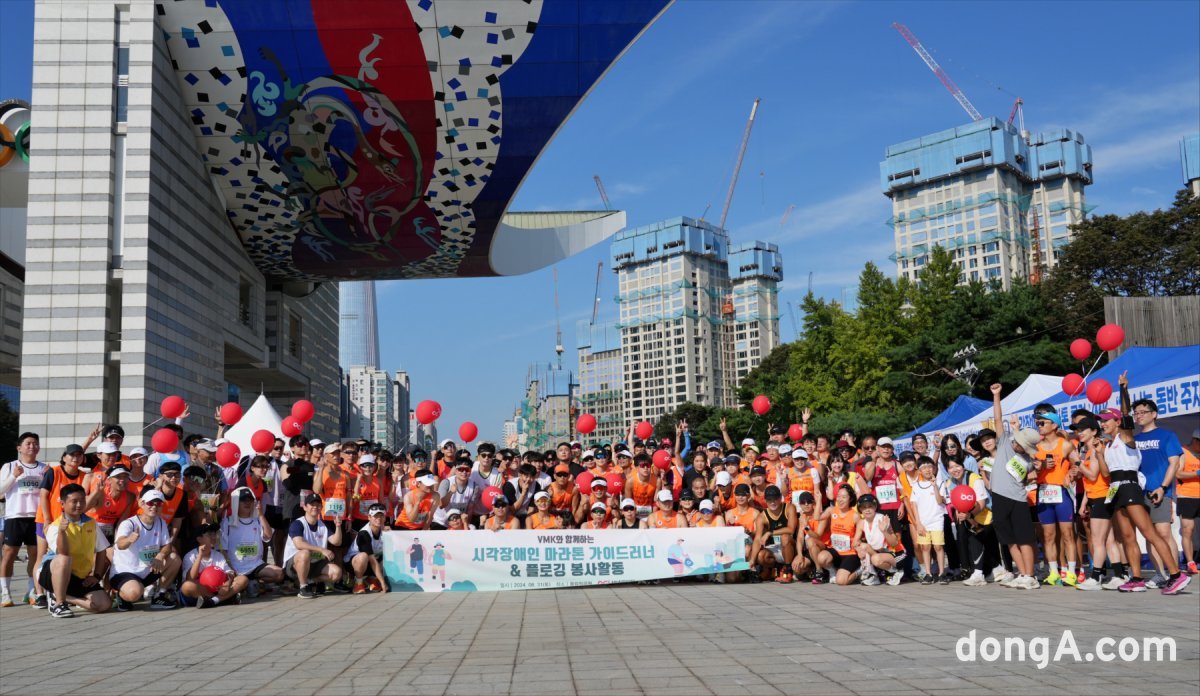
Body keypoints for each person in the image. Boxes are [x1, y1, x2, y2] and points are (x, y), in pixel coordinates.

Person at [1102, 373, 1190, 595]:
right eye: (1101, 421)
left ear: (1117, 423)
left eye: (1106, 420)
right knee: (1128, 537)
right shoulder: (1108, 445)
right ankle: (1137, 578)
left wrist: (1123, 389)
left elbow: (1125, 414)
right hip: (1116, 489)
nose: (1102, 424)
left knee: (1151, 532)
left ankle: (1176, 575)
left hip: (1130, 486)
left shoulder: (1125, 436)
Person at [1131, 395, 1185, 589]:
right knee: (1148, 533)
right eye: (1136, 413)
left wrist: (1163, 487)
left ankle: (1175, 572)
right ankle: (1159, 573)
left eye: (1143, 412)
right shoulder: (1134, 439)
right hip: (1138, 493)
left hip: (1160, 490)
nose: (1138, 416)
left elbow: (1174, 463)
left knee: (1162, 532)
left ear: (1154, 414)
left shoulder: (1167, 435)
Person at [39, 483, 112, 617]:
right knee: (64, 559)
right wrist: (62, 532)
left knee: (104, 605)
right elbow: (63, 553)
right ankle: (59, 604)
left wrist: (96, 576)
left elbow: (102, 550)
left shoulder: (91, 523)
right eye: (74, 501)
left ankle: (63, 596)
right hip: (52, 574)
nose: (79, 505)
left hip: (80, 576)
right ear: (62, 503)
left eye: (82, 500)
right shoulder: (55, 527)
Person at [1072, 414, 1122, 591]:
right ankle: (1119, 575)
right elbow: (1091, 481)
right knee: (1109, 540)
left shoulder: (1095, 449)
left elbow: (1092, 475)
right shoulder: (1089, 449)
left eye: (1082, 430)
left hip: (1102, 496)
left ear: (1094, 431)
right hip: (1097, 496)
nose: (1079, 433)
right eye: (1077, 430)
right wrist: (1084, 502)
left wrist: (1077, 461)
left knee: (1097, 539)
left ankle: (1095, 577)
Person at [111, 488, 182, 610]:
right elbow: (120, 544)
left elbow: (167, 545)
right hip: (126, 571)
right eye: (150, 503)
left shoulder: (161, 522)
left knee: (175, 559)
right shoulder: (129, 524)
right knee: (134, 594)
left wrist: (160, 555)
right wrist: (129, 540)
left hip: (148, 570)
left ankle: (159, 595)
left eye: (158, 504)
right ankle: (122, 596)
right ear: (142, 504)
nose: (154, 507)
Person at [1031, 411, 1080, 587]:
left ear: (1054, 425)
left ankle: (1071, 573)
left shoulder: (1065, 445)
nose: (1040, 426)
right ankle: (1053, 572)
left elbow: (1077, 463)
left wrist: (1070, 473)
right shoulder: (1036, 448)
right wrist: (1038, 468)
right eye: (1038, 423)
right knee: (1048, 535)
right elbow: (1030, 472)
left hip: (1061, 493)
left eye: (1043, 423)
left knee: (1067, 534)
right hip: (1043, 493)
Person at [0, 432, 48, 607]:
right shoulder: (10, 466)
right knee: (9, 554)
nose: (32, 446)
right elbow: (0, 491)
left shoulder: (44, 468)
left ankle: (31, 591)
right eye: (28, 443)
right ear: (19, 448)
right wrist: (14, 476)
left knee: (35, 555)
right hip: (15, 516)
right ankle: (5, 593)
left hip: (36, 518)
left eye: (35, 443)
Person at [221, 488, 284, 597]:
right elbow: (222, 548)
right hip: (236, 567)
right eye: (243, 500)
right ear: (236, 502)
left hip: (255, 565)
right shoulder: (228, 521)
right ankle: (245, 585)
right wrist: (230, 568)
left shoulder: (257, 520)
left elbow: (268, 535)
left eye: (250, 500)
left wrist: (260, 515)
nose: (247, 503)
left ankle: (256, 582)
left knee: (279, 573)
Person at [942, 457, 993, 586]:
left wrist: (969, 515)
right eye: (951, 467)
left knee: (975, 540)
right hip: (970, 519)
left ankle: (979, 574)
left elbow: (981, 504)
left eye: (957, 466)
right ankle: (990, 571)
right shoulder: (949, 483)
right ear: (947, 470)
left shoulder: (974, 478)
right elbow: (956, 503)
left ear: (963, 466)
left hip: (985, 517)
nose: (955, 470)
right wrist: (962, 513)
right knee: (969, 540)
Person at [284, 493, 345, 598]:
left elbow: (336, 542)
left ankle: (310, 581)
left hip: (315, 563)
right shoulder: (297, 524)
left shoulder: (322, 524)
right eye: (312, 504)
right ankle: (303, 588)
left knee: (337, 573)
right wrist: (322, 550)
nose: (315, 507)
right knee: (304, 553)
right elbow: (299, 544)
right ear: (305, 507)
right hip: (295, 564)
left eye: (318, 505)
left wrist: (338, 526)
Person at [181, 523, 247, 608]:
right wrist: (200, 556)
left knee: (243, 579)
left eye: (214, 534)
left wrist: (227, 584)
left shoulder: (218, 555)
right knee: (187, 586)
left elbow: (230, 573)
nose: (213, 537)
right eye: (209, 534)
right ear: (199, 539)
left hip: (219, 589)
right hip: (197, 594)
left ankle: (213, 601)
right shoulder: (190, 556)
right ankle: (223, 599)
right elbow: (190, 578)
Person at [815, 484, 861, 585]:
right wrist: (819, 500)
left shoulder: (855, 516)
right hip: (835, 551)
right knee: (821, 558)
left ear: (850, 499)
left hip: (850, 554)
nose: (840, 499)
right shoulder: (832, 510)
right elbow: (817, 517)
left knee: (841, 582)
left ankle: (860, 571)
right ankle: (832, 571)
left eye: (844, 497)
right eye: (839, 496)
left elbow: (861, 535)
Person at [855, 493, 904, 586]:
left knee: (875, 558)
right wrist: (858, 550)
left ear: (875, 507)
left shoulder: (882, 519)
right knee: (863, 547)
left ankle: (896, 571)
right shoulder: (861, 523)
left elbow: (894, 543)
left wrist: (885, 531)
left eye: (870, 506)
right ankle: (873, 576)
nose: (867, 510)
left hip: (896, 553)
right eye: (864, 507)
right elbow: (855, 543)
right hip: (880, 553)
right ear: (860, 509)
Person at [752, 485, 796, 583]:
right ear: (765, 500)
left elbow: (791, 529)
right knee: (760, 556)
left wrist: (770, 533)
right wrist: (752, 560)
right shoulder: (761, 517)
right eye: (769, 500)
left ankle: (788, 571)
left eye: (775, 499)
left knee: (785, 537)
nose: (773, 502)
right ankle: (773, 569)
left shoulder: (789, 508)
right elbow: (757, 539)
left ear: (780, 498)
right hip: (775, 548)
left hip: (791, 547)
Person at [347, 503, 388, 593]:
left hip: (372, 562)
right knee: (364, 556)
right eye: (375, 516)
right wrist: (383, 582)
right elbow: (372, 560)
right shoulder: (364, 533)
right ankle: (358, 583)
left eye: (381, 516)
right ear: (369, 517)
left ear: (385, 517)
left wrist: (392, 534)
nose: (379, 519)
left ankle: (372, 579)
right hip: (353, 564)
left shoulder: (386, 531)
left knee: (388, 556)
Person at [1178, 429, 1200, 574]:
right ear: (1195, 440)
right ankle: (1190, 562)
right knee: (1188, 529)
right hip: (1187, 496)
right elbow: (1177, 473)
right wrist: (1196, 473)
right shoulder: (1183, 451)